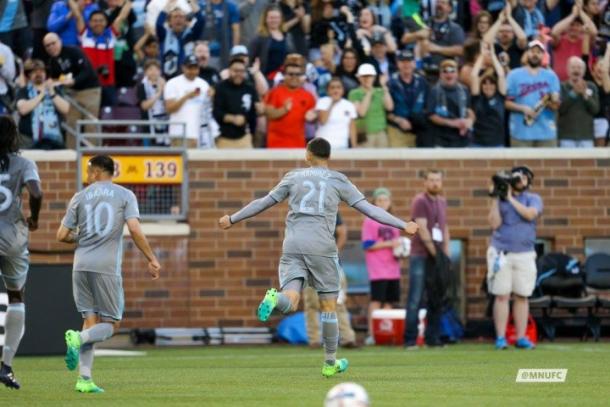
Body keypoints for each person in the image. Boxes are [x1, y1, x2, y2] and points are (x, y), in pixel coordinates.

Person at [218, 138, 418, 377]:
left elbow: (263, 203)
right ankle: (330, 362)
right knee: (329, 307)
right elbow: (370, 210)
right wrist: (403, 224)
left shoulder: (292, 177)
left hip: (293, 245)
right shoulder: (339, 180)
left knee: (291, 299)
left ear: (308, 155)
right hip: (322, 247)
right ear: (328, 157)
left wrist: (232, 219)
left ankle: (275, 299)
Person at [56, 155, 161, 393]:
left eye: (88, 171)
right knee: (111, 325)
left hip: (80, 266)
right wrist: (152, 258)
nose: (87, 176)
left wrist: (80, 238)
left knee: (89, 322)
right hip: (106, 268)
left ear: (95, 173)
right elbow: (134, 228)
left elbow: (61, 235)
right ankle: (78, 339)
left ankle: (84, 379)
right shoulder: (125, 195)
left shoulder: (79, 197)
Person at [0, 115, 43, 390]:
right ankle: (6, 366)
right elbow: (36, 193)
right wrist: (34, 218)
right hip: (12, 237)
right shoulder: (24, 163)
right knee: (16, 297)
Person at [487, 165, 541, 350]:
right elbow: (494, 224)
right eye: (516, 178)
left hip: (525, 254)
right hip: (502, 253)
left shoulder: (533, 199)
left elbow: (529, 214)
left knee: (522, 296)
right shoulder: (500, 200)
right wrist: (496, 198)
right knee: (502, 295)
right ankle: (501, 338)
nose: (520, 181)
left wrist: (510, 198)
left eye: (524, 178)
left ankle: (521, 337)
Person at [404, 169, 450, 350]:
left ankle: (433, 338)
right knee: (415, 297)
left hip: (437, 256)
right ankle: (410, 340)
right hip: (421, 256)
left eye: (438, 180)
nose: (435, 183)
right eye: (431, 180)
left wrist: (445, 255)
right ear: (425, 182)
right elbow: (422, 228)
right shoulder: (420, 201)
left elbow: (445, 229)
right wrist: (436, 254)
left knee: (436, 297)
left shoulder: (442, 202)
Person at [303, 213, 358, 349]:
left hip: (332, 265)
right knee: (312, 304)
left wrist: (333, 254)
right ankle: (315, 340)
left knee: (338, 302)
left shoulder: (331, 210)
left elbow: (342, 233)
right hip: (310, 265)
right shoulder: (301, 212)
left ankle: (347, 339)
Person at [44, 32, 101, 147]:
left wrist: (74, 81)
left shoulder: (73, 51)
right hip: (72, 94)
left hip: (89, 90)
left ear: (60, 41)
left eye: (53, 43)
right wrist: (52, 82)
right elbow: (56, 79)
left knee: (90, 124)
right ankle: (70, 157)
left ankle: (93, 156)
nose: (51, 47)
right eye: (47, 45)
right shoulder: (52, 62)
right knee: (71, 124)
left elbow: (87, 71)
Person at [361, 187, 402, 346]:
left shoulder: (393, 220)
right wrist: (389, 243)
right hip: (378, 269)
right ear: (374, 203)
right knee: (377, 301)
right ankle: (373, 333)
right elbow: (367, 244)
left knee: (389, 302)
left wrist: (401, 250)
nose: (383, 203)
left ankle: (386, 333)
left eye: (385, 200)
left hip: (393, 269)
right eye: (379, 200)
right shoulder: (370, 221)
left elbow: (397, 244)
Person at [73, 1, 132, 107]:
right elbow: (77, 15)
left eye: (101, 20)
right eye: (95, 21)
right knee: (91, 119)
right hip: (89, 85)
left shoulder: (111, 35)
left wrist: (129, 2)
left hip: (108, 84)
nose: (98, 23)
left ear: (106, 22)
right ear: (89, 23)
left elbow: (122, 16)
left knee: (110, 119)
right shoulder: (84, 34)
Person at [506, 40, 560, 147]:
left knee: (548, 164)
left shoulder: (551, 76)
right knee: (522, 163)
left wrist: (548, 102)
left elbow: (556, 105)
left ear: (543, 55)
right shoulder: (514, 75)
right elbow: (506, 103)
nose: (535, 54)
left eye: (539, 52)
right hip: (521, 132)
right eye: (532, 51)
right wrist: (523, 108)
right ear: (526, 53)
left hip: (546, 132)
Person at [16, 59, 70, 150]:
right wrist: (42, 94)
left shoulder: (55, 90)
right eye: (34, 72)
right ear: (29, 75)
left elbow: (66, 109)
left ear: (46, 74)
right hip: (28, 140)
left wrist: (52, 93)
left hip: (54, 139)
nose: (38, 74)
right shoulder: (23, 91)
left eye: (41, 71)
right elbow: (22, 109)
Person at [164, 55, 212, 148]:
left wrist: (213, 96)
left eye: (195, 68)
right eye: (190, 68)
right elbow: (169, 109)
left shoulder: (204, 84)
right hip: (180, 133)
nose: (193, 71)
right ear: (183, 68)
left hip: (201, 135)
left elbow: (208, 109)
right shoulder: (172, 83)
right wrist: (186, 97)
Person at [264, 61, 316, 148]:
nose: (294, 77)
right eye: (291, 74)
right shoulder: (274, 92)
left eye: (297, 74)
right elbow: (269, 114)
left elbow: (313, 119)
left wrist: (314, 117)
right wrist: (284, 110)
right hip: (276, 144)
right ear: (284, 75)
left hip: (298, 144)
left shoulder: (308, 96)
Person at [426, 59, 476, 148]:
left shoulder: (464, 90)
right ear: (440, 75)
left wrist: (470, 121)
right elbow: (431, 115)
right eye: (445, 71)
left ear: (457, 74)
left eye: (452, 71)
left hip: (462, 140)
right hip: (442, 141)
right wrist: (453, 123)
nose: (449, 74)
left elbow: (469, 111)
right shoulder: (434, 91)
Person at [213, 57, 262, 148]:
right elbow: (216, 112)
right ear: (229, 71)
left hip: (245, 138)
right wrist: (233, 118)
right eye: (235, 71)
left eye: (242, 71)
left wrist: (260, 110)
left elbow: (254, 112)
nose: (239, 74)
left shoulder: (250, 88)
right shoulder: (220, 88)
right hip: (224, 138)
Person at [387, 49, 427, 148]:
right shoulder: (390, 83)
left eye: (409, 61)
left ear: (414, 63)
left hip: (419, 131)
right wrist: (398, 120)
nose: (406, 65)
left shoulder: (422, 82)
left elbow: (428, 107)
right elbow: (385, 111)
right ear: (398, 64)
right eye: (403, 61)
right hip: (397, 130)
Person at [470, 42, 507, 147]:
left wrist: (493, 55)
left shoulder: (500, 97)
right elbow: (474, 75)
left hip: (497, 143)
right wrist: (482, 55)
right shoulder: (477, 97)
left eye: (491, 84)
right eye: (485, 84)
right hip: (477, 143)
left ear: (496, 86)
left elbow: (501, 74)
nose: (488, 86)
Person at [348, 63, 394, 147]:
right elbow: (362, 112)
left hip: (381, 133)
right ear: (359, 78)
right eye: (364, 76)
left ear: (374, 77)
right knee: (365, 160)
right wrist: (369, 91)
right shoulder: (354, 93)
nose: (367, 78)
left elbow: (390, 107)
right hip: (364, 133)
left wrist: (384, 88)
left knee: (383, 159)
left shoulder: (380, 91)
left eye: (369, 76)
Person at [156, 0, 205, 79]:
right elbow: (158, 24)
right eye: (175, 17)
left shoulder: (191, 34)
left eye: (181, 17)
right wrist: (170, 3)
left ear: (185, 21)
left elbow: (201, 21)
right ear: (169, 21)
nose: (178, 19)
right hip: (168, 77)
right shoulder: (164, 35)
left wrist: (190, 2)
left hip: (188, 76)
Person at [558, 56, 599, 147]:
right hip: (566, 137)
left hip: (586, 137)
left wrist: (585, 94)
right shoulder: (561, 86)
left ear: (584, 71)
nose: (576, 70)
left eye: (579, 68)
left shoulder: (591, 86)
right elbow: (560, 109)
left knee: (587, 161)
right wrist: (574, 93)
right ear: (567, 70)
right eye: (573, 67)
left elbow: (595, 110)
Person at [550, 4, 598, 81]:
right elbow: (554, 32)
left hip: (581, 84)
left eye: (578, 25)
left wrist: (580, 11)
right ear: (567, 26)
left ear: (582, 28)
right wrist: (573, 15)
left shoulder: (585, 40)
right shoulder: (560, 39)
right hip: (560, 84)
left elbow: (594, 32)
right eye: (571, 25)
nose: (574, 28)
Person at [314, 77, 357, 149]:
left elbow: (352, 128)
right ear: (328, 91)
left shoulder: (349, 105)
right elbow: (323, 121)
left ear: (343, 90)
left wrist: (354, 147)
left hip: (342, 146)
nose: (335, 90)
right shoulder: (322, 101)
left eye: (338, 87)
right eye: (332, 88)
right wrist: (332, 103)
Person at [136, 59, 168, 144]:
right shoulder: (142, 86)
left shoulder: (166, 85)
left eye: (156, 69)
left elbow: (169, 104)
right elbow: (144, 106)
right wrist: (158, 93)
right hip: (148, 126)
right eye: (150, 69)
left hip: (165, 124)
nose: (153, 72)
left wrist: (164, 88)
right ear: (145, 72)